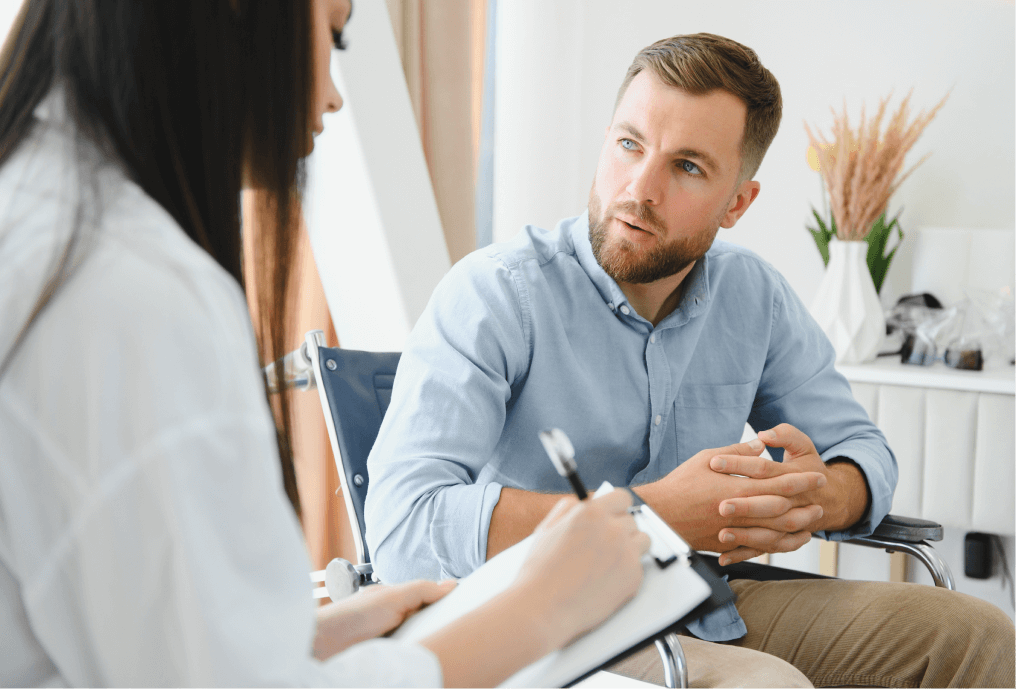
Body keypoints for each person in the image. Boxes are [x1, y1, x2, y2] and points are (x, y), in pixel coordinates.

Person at [0, 1, 652, 686]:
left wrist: (314, 637)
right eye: (333, 34)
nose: (333, 95)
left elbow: (141, 635)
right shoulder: (131, 298)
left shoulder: (46, 224)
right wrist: (540, 608)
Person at [364, 32, 1016, 688]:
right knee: (764, 684)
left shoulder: (752, 295)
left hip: (700, 604)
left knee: (976, 634)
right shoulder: (495, 293)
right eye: (628, 144)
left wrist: (815, 499)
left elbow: (862, 450)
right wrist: (654, 511)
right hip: (536, 620)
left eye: (688, 167)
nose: (639, 187)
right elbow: (402, 522)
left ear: (738, 202)